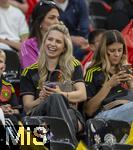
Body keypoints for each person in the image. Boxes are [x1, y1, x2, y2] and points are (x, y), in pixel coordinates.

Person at [20, 23, 87, 140]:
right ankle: (70, 144)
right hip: (40, 115)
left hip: (69, 112)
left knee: (56, 98)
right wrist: (41, 99)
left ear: (64, 47)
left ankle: (61, 142)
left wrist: (61, 94)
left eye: (58, 41)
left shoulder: (73, 65)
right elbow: (27, 107)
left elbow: (82, 94)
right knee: (54, 98)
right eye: (50, 39)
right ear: (44, 42)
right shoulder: (29, 71)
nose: (52, 44)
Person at [84, 30, 133, 123]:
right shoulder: (92, 72)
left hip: (127, 108)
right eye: (112, 50)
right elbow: (88, 111)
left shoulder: (123, 69)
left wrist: (130, 83)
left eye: (120, 50)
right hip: (103, 115)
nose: (117, 54)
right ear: (104, 50)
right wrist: (108, 85)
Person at [19, 0, 60, 69]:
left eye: (58, 18)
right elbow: (33, 74)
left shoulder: (61, 43)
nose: (57, 22)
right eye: (51, 18)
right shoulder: (28, 46)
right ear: (39, 22)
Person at [0, 49, 19, 116]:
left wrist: (12, 111)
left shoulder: (8, 86)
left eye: (0, 61)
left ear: (4, 67)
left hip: (7, 120)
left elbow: (17, 110)